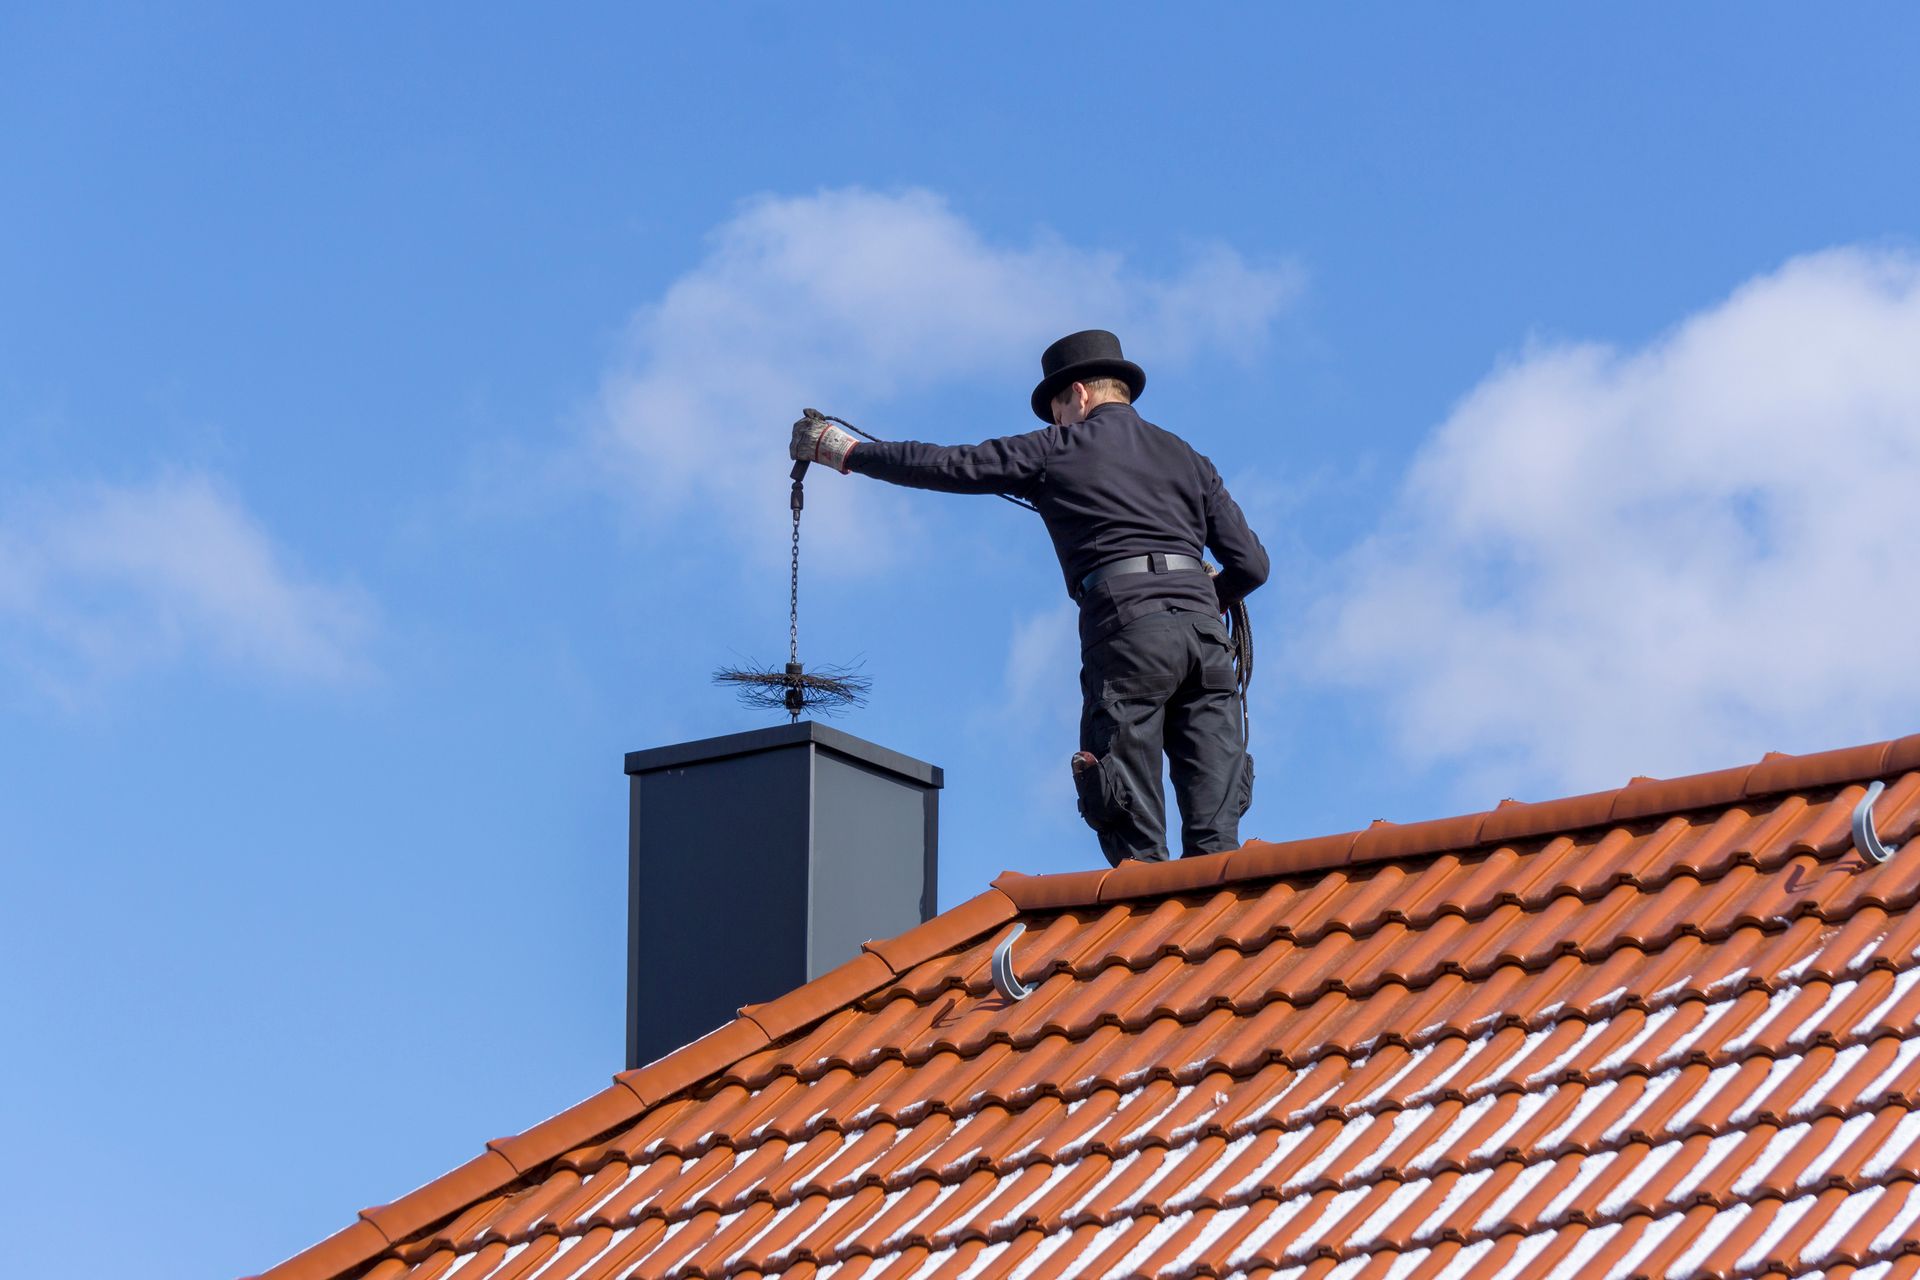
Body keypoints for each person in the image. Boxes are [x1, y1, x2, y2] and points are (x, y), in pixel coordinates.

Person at [790, 329, 1269, 864]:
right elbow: (1252, 564)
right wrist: (1211, 596)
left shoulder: (1057, 448)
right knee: (1217, 843)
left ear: (1079, 395)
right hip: (1207, 645)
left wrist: (846, 451)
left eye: (1057, 409)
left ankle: (1151, 937)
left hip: (1131, 635)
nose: (1056, 422)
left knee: (1135, 836)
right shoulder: (1191, 459)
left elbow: (950, 465)